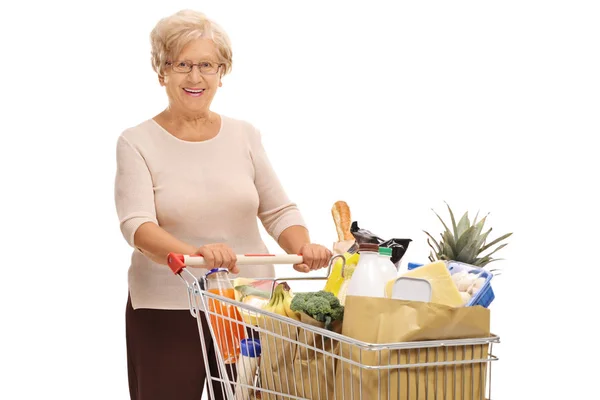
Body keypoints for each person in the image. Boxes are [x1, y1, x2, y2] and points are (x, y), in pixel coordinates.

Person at [114, 9, 333, 400]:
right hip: (168, 305)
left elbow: (278, 210)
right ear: (161, 71)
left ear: (222, 72)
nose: (195, 77)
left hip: (249, 300)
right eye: (182, 64)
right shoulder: (136, 141)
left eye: (206, 65)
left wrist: (302, 246)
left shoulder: (244, 135)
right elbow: (138, 227)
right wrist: (196, 255)